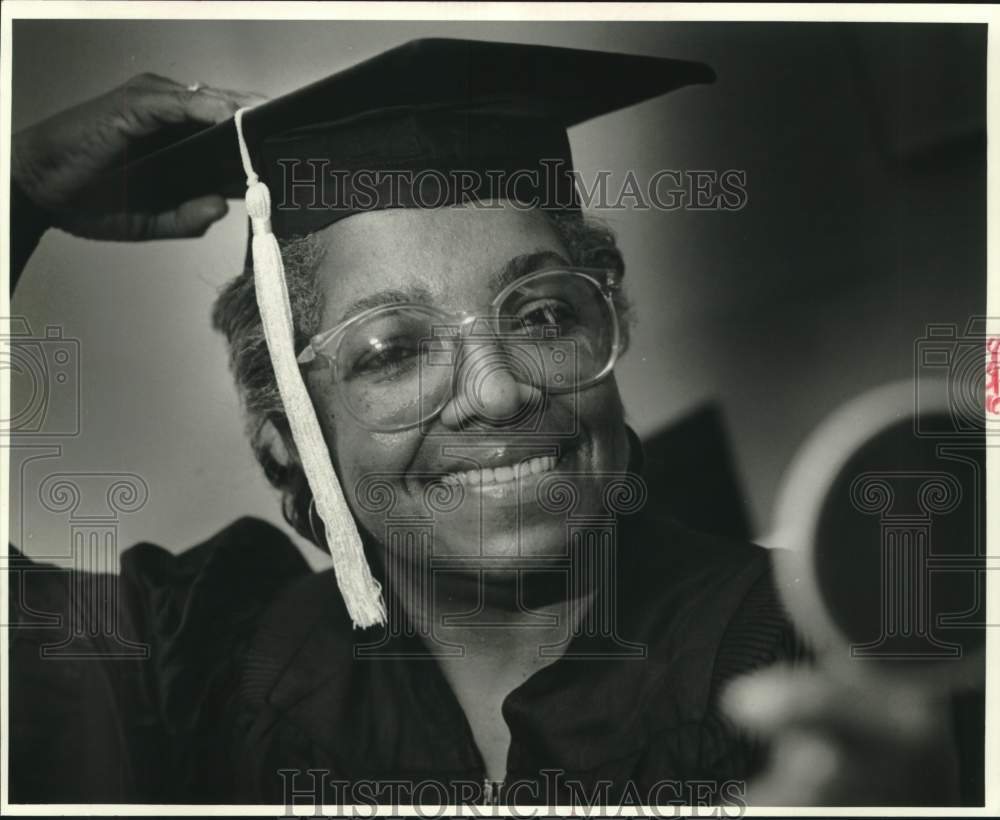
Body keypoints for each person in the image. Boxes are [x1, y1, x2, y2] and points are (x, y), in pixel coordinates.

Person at [9, 39, 962, 808]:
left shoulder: (811, 658)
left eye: (542, 316)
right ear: (287, 434)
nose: (500, 394)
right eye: (392, 350)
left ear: (613, 327)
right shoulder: (208, 666)